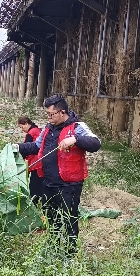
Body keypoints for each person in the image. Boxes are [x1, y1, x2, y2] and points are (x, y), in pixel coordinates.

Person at [16, 95, 101, 254]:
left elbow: (96, 143)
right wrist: (17, 147)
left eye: (51, 114)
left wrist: (75, 139)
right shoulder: (48, 128)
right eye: (47, 114)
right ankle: (53, 249)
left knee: (69, 218)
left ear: (62, 112)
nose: (48, 117)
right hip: (48, 182)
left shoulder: (77, 127)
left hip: (69, 184)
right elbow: (36, 146)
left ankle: (70, 253)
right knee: (51, 218)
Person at [18, 116, 44, 204]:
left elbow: (26, 148)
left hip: (35, 162)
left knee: (33, 185)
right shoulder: (38, 130)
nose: (22, 129)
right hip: (42, 161)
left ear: (27, 124)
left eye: (22, 127)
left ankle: (34, 203)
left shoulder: (31, 133)